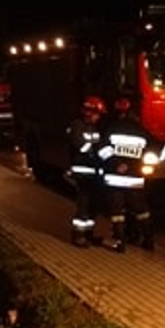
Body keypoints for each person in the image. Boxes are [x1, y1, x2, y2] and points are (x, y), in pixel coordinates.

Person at [97, 97, 164, 252]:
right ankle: (148, 240)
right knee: (142, 211)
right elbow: (160, 149)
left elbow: (102, 150)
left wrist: (115, 164)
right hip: (135, 180)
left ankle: (120, 243)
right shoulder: (141, 131)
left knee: (117, 212)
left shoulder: (111, 129)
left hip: (114, 178)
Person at [67, 95, 106, 247]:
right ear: (89, 112)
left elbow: (98, 145)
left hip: (93, 171)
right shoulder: (77, 126)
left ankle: (89, 234)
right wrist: (96, 150)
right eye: (97, 114)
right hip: (82, 171)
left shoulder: (93, 127)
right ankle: (78, 235)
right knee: (84, 204)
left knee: (93, 205)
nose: (98, 118)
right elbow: (81, 146)